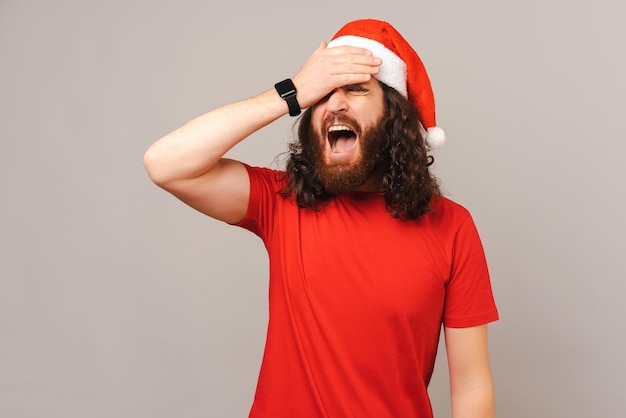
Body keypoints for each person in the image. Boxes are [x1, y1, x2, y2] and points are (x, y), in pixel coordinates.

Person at [144, 18, 499, 418]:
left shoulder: (452, 226)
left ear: (394, 118)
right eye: (324, 93)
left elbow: (471, 387)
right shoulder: (280, 201)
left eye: (356, 89)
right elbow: (165, 164)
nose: (335, 103)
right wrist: (291, 93)